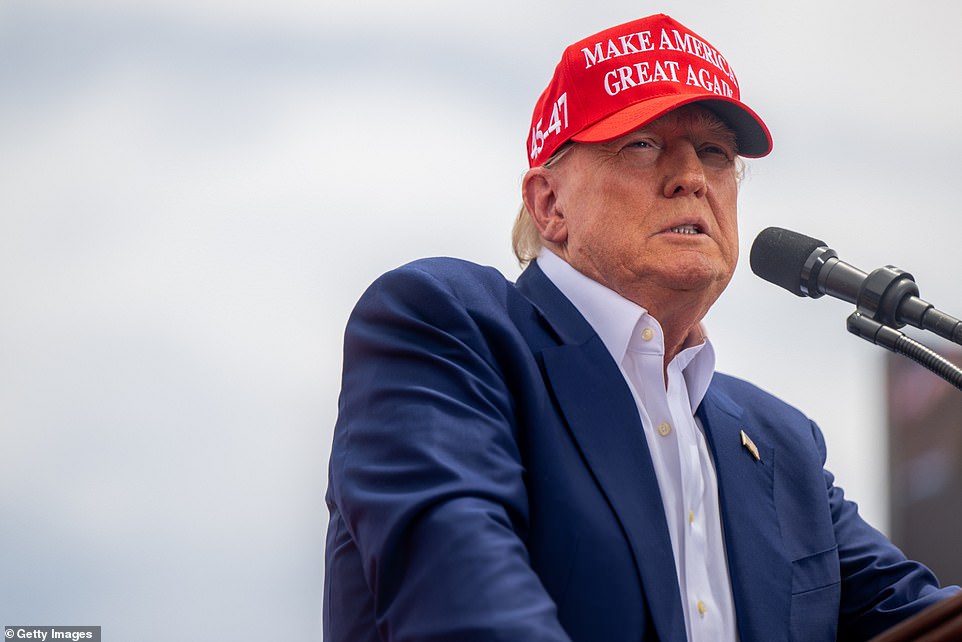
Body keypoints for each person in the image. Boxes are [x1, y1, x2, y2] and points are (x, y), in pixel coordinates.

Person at [323, 13, 958, 642]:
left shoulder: (783, 444)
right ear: (550, 203)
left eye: (714, 152)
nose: (692, 178)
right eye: (643, 144)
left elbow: (921, 618)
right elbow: (465, 604)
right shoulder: (448, 329)